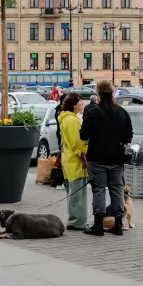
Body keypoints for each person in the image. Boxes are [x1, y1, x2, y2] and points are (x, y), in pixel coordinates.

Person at [80, 80, 133, 236]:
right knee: (117, 190)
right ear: (112, 92)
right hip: (117, 158)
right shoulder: (122, 112)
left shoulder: (92, 112)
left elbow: (83, 135)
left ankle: (98, 225)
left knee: (99, 190)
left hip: (97, 158)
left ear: (98, 93)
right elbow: (129, 136)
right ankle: (118, 224)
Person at [59, 92, 88, 231]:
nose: (82, 104)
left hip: (68, 159)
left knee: (73, 192)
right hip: (75, 160)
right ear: (74, 105)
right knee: (77, 194)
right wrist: (84, 155)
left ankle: (75, 220)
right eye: (80, 102)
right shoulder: (72, 120)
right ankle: (77, 222)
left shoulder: (66, 118)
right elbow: (77, 142)